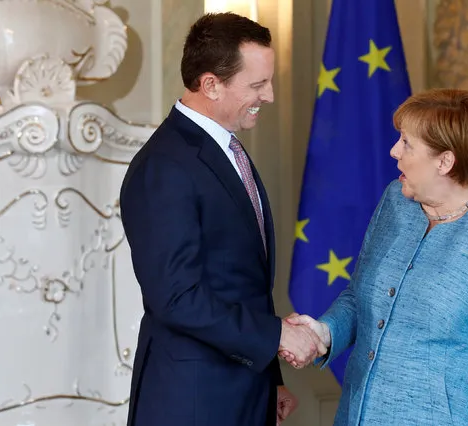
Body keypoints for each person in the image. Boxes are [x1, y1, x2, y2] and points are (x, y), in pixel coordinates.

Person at [281, 88, 468, 425]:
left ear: (445, 161)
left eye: (406, 143)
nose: (394, 151)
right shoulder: (396, 200)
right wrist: (324, 333)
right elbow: (360, 296)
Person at [120, 12, 326, 426]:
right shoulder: (165, 165)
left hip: (244, 390)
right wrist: (277, 336)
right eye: (257, 84)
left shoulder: (225, 149)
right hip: (192, 401)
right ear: (210, 84)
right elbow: (176, 297)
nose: (269, 95)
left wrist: (272, 377)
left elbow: (243, 285)